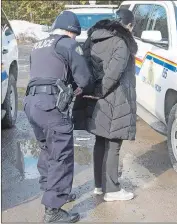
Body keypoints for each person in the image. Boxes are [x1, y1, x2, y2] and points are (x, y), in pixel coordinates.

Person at [23, 11, 91, 223]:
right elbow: (85, 79)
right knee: (61, 155)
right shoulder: (68, 45)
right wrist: (78, 90)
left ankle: (51, 189)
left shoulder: (38, 45)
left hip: (31, 103)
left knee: (47, 150)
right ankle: (53, 211)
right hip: (51, 105)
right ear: (71, 31)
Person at [72, 9, 138, 201]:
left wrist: (93, 91)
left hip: (96, 98)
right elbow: (114, 73)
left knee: (101, 141)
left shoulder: (93, 38)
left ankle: (99, 186)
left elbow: (84, 65)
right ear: (129, 25)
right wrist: (102, 91)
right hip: (115, 98)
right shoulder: (121, 42)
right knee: (114, 143)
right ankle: (113, 190)